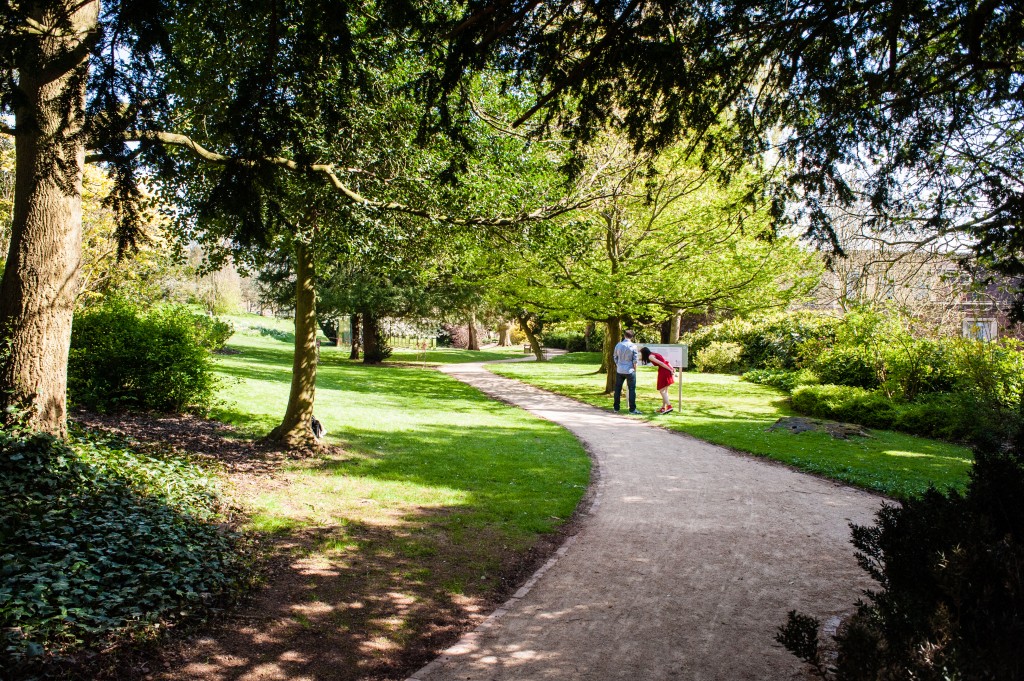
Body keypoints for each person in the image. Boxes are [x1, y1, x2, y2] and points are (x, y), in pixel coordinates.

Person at [612, 330, 642, 414]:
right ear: (632, 337)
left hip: (620, 369)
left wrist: (618, 364)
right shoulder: (633, 346)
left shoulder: (618, 345)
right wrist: (635, 369)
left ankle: (616, 408)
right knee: (632, 389)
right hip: (629, 370)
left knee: (617, 389)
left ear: (624, 335)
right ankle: (632, 409)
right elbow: (635, 360)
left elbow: (615, 356)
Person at [641, 346, 675, 414]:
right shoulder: (654, 354)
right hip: (666, 369)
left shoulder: (650, 356)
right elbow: (665, 361)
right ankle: (663, 407)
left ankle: (669, 406)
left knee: (661, 390)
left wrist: (670, 369)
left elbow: (661, 363)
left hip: (664, 371)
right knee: (665, 391)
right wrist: (671, 368)